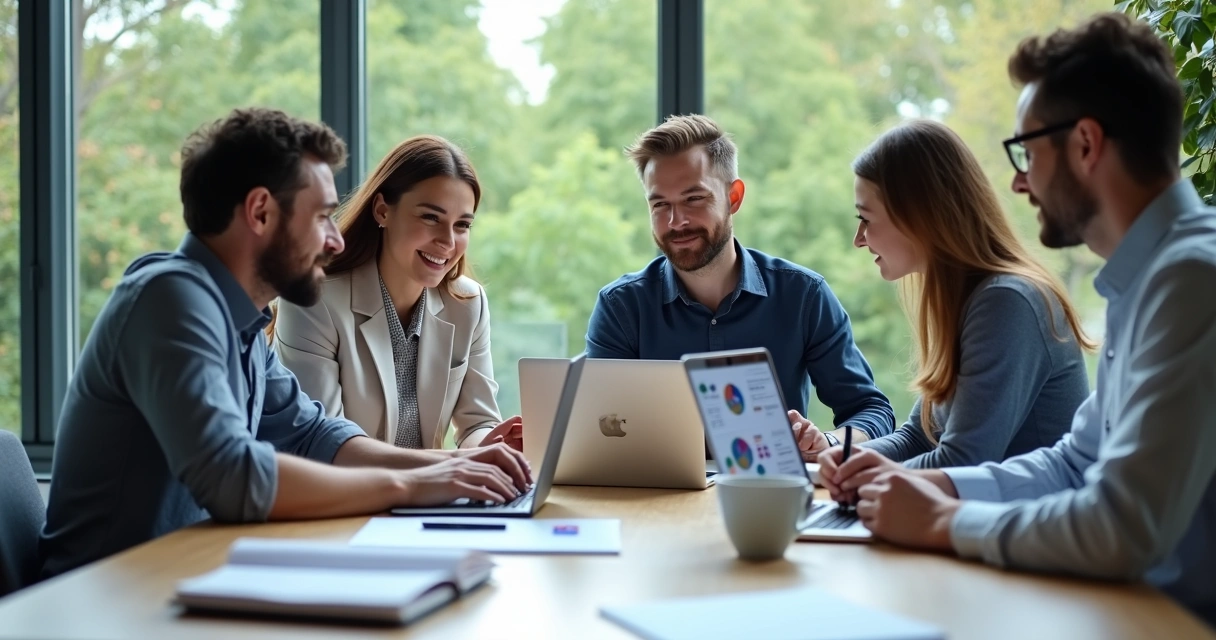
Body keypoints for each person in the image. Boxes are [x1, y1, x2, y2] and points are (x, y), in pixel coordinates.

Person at [822, 13, 1216, 626]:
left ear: (1085, 144)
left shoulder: (1193, 280)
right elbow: (1073, 463)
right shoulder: (1147, 280)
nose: (1018, 179)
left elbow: (1123, 525)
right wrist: (939, 491)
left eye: (1027, 152)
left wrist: (945, 520)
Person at [39, 108, 531, 579]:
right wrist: (416, 483)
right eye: (320, 216)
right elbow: (234, 478)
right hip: (109, 600)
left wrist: (457, 464)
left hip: (189, 578)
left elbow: (315, 436)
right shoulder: (169, 299)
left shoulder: (244, 319)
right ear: (260, 212)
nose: (335, 240)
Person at [794, 119, 1091, 475]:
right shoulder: (969, 299)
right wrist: (833, 453)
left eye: (867, 219)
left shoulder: (1007, 303)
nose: (859, 238)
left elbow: (963, 461)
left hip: (1026, 526)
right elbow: (917, 438)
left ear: (919, 217)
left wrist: (857, 472)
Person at [585, 114, 894, 451]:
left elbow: (872, 412)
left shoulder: (803, 296)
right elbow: (597, 426)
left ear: (733, 197)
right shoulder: (620, 308)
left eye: (694, 199)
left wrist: (829, 441)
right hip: (657, 499)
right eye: (660, 204)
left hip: (769, 498)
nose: (676, 222)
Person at [271, 135, 521, 451]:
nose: (447, 241)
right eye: (431, 217)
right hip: (343, 495)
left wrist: (496, 444)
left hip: (428, 494)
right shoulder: (313, 300)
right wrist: (451, 468)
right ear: (382, 211)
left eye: (462, 225)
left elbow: (477, 422)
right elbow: (326, 446)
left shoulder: (468, 304)